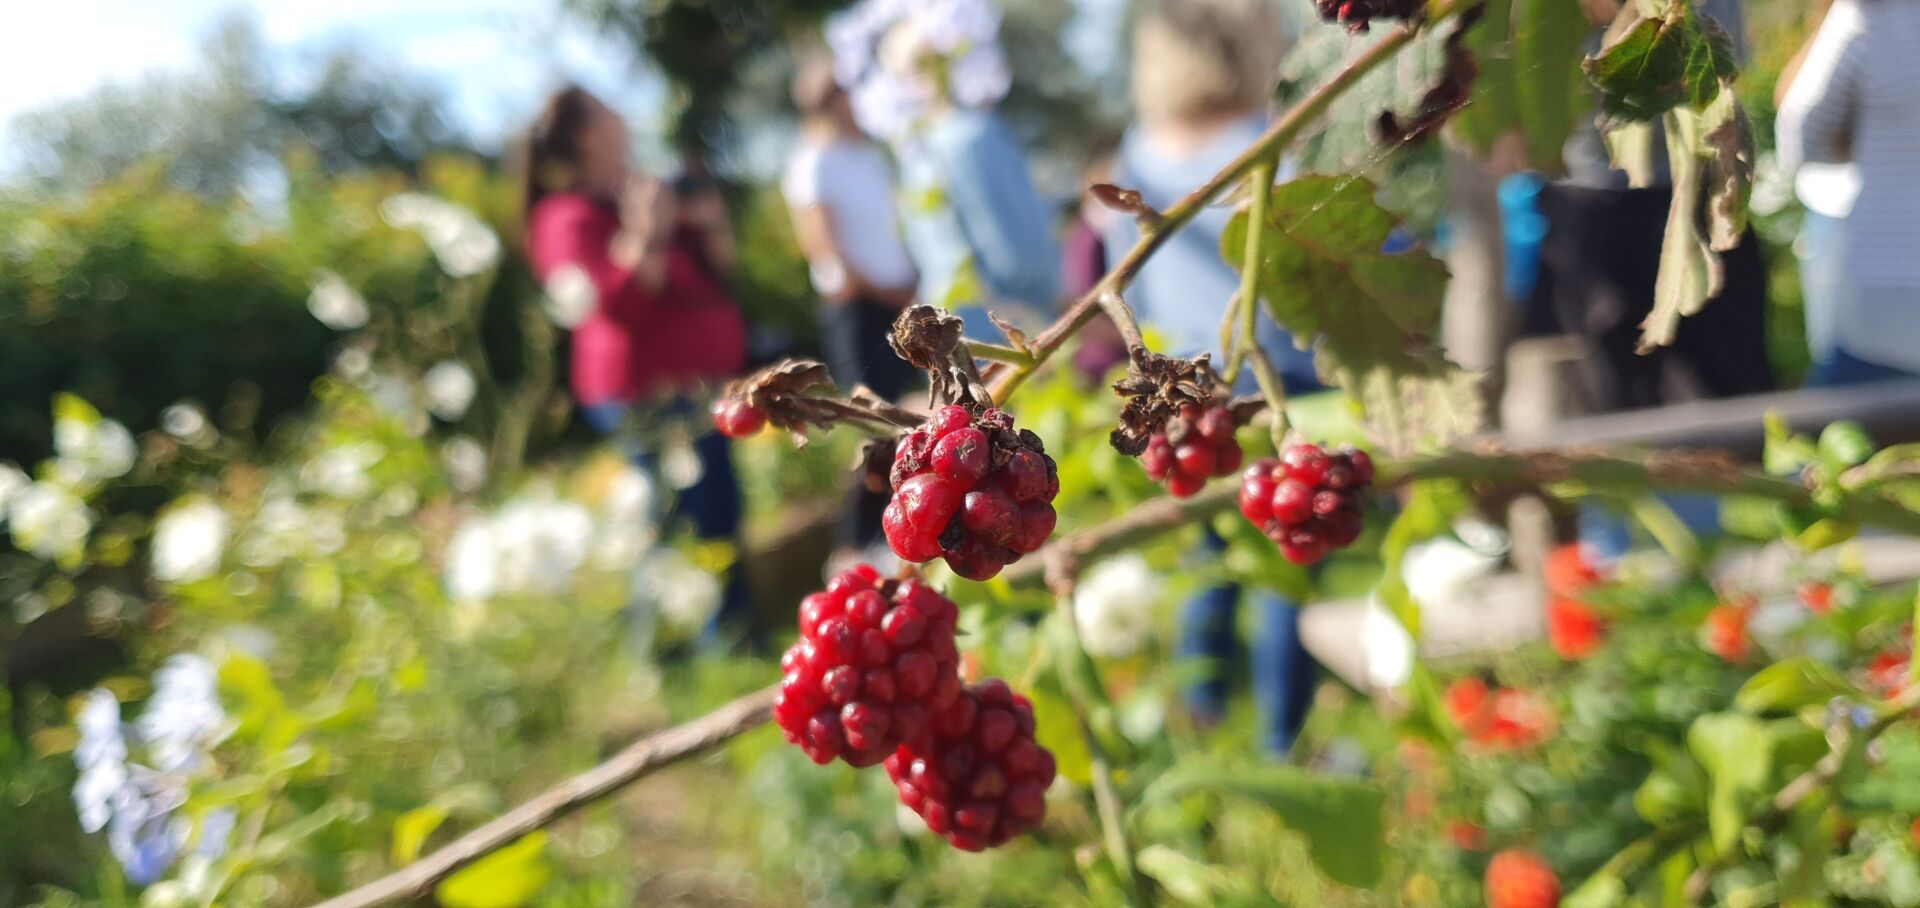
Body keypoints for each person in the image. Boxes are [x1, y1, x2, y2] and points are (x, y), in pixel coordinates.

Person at [1105, 0, 1317, 758]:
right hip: (1280, 373)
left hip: (1185, 389)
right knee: (1288, 554)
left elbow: (1123, 282)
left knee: (1206, 559)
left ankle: (1198, 729)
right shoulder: (1266, 137)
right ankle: (1284, 742)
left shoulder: (1135, 156)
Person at [518, 85, 754, 646]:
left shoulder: (641, 192)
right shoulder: (565, 217)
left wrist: (707, 219)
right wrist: (647, 232)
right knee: (666, 525)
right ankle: (666, 651)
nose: (622, 115)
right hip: (645, 397)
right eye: (606, 110)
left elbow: (718, 267)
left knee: (719, 512)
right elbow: (616, 306)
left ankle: (728, 638)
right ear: (585, 135)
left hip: (698, 391)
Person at [784, 56, 920, 569]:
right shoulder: (812, 162)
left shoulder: (864, 157)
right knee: (874, 423)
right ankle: (854, 544)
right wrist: (883, 290)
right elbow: (823, 246)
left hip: (894, 304)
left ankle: (894, 534)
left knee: (906, 416)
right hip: (859, 311)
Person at [873, 17, 1060, 337]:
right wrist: (1048, 302)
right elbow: (1016, 255)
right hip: (1007, 324)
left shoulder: (913, 153)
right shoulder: (973, 138)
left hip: (948, 330)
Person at [1776, 0, 1920, 386]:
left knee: (1838, 414)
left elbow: (1799, 136)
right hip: (1890, 285)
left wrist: (1877, 145)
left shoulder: (1870, 14)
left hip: (1887, 285)